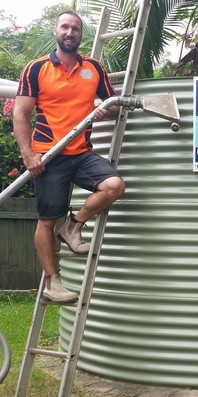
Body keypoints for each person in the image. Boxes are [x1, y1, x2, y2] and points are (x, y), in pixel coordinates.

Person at [13, 11, 125, 304]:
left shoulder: (94, 69)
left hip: (81, 152)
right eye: (65, 27)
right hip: (49, 156)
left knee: (114, 186)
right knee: (46, 221)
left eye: (75, 28)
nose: (70, 32)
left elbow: (114, 106)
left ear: (80, 34)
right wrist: (28, 154)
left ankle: (74, 226)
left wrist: (103, 110)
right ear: (56, 31)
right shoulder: (36, 69)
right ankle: (53, 282)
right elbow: (21, 114)